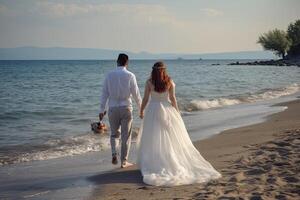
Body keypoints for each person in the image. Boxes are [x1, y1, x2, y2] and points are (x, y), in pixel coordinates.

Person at [137, 61, 221, 186]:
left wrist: (141, 110)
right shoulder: (169, 82)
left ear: (153, 70)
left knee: (154, 137)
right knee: (170, 137)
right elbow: (172, 99)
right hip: (168, 109)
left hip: (153, 110)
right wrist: (177, 112)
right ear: (164, 70)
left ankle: (156, 161)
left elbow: (145, 98)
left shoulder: (149, 82)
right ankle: (168, 159)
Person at [99, 53, 141, 168]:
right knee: (125, 136)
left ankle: (114, 153)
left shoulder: (109, 75)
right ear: (127, 63)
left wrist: (101, 110)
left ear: (117, 61)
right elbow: (136, 94)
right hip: (126, 107)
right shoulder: (130, 75)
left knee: (114, 134)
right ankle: (124, 161)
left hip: (112, 108)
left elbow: (104, 94)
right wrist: (141, 108)